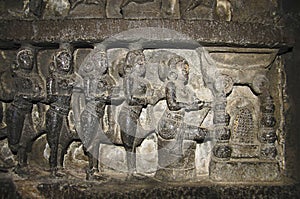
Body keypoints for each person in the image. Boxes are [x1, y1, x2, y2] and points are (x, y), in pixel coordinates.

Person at [80, 48, 124, 180]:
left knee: (96, 141)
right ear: (94, 61)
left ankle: (94, 169)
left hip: (99, 114)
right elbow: (88, 95)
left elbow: (113, 96)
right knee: (90, 142)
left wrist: (117, 95)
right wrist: (104, 96)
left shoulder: (108, 79)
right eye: (100, 60)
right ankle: (91, 170)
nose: (103, 63)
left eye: (105, 60)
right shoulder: (90, 78)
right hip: (90, 113)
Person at [158, 55, 210, 156]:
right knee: (199, 133)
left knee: (203, 133)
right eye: (183, 68)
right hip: (169, 125)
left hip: (180, 124)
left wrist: (208, 104)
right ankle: (176, 151)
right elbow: (172, 105)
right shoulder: (171, 85)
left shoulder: (188, 90)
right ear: (174, 71)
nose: (186, 71)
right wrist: (190, 106)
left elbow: (197, 103)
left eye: (187, 69)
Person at [5, 46, 44, 175]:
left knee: (26, 136)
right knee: (14, 143)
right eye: (24, 57)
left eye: (30, 58)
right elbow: (7, 94)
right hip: (16, 110)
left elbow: (42, 95)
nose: (28, 60)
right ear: (18, 60)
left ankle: (22, 164)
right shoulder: (15, 76)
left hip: (27, 111)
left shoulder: (35, 77)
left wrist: (40, 112)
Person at [118, 49, 155, 177]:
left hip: (135, 115)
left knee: (133, 143)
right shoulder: (129, 78)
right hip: (127, 113)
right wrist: (144, 100)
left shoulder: (143, 81)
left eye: (144, 63)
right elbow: (129, 99)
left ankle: (133, 171)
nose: (143, 65)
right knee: (129, 145)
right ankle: (131, 172)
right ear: (132, 65)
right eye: (140, 63)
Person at [45, 45, 78, 177]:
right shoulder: (52, 79)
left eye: (68, 59)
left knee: (63, 139)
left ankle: (59, 165)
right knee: (54, 141)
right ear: (56, 62)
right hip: (55, 112)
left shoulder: (72, 79)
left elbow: (81, 85)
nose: (66, 62)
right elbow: (50, 97)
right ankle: (53, 167)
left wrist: (70, 83)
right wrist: (62, 86)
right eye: (62, 59)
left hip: (64, 113)